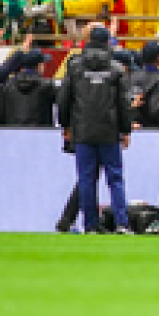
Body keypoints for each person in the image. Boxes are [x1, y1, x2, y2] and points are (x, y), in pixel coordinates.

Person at [59, 25, 133, 234]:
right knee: (115, 178)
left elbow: (64, 98)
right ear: (108, 41)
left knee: (86, 178)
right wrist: (125, 130)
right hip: (109, 131)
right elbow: (123, 103)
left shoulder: (74, 66)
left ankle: (90, 225)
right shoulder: (116, 68)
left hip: (82, 130)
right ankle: (122, 223)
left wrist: (65, 125)